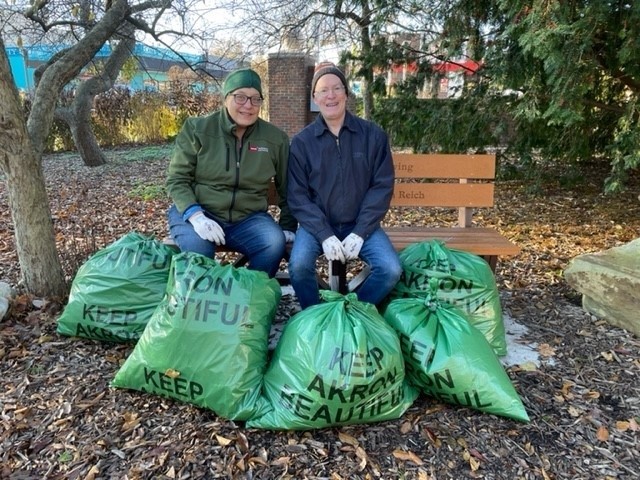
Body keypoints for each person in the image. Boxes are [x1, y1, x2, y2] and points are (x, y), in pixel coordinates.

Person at [287, 61, 402, 309]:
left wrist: (361, 231)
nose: (331, 95)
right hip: (317, 226)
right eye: (323, 91)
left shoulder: (373, 136)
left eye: (337, 88)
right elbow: (297, 196)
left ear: (347, 94)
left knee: (390, 269)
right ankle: (315, 315)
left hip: (360, 224)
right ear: (315, 99)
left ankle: (352, 311)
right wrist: (324, 234)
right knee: (298, 266)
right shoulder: (302, 143)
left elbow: (381, 187)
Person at [166, 68, 297, 278]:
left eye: (256, 99)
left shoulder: (275, 139)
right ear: (226, 98)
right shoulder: (197, 129)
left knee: (273, 243)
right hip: (199, 212)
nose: (248, 105)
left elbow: (289, 187)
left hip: (248, 218)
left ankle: (248, 298)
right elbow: (177, 179)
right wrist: (196, 216)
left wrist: (288, 225)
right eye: (240, 97)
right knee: (199, 252)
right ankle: (205, 303)